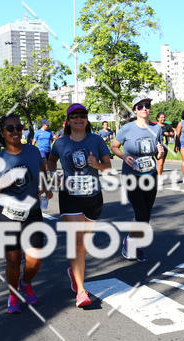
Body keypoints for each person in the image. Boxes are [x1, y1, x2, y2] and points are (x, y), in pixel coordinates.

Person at [48, 104, 111, 307]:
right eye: (74, 116)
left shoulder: (97, 140)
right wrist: (53, 175)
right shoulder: (60, 143)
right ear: (68, 121)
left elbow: (108, 168)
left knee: (83, 245)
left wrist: (97, 166)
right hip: (70, 197)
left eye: (82, 116)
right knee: (77, 243)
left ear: (86, 120)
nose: (78, 119)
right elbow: (51, 161)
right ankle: (82, 291)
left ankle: (73, 272)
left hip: (93, 197)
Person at [0, 114, 52, 313]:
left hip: (32, 212)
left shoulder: (33, 151)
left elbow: (42, 170)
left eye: (19, 127)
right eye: (10, 128)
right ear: (2, 132)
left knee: (35, 259)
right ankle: (13, 293)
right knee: (13, 259)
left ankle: (26, 282)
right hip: (7, 214)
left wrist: (45, 187)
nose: (15, 131)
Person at [111, 95, 164, 262]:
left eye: (147, 105)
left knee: (146, 215)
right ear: (135, 110)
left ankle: (133, 240)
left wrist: (160, 153)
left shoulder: (157, 129)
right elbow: (114, 146)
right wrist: (123, 156)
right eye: (140, 107)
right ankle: (133, 244)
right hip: (131, 175)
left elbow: (157, 150)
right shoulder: (127, 129)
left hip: (150, 175)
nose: (144, 109)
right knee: (140, 212)